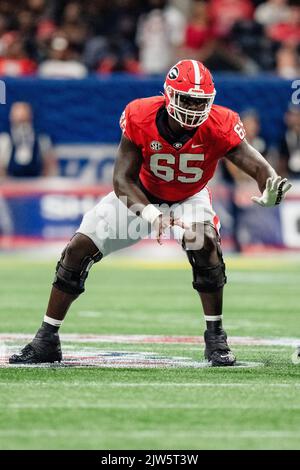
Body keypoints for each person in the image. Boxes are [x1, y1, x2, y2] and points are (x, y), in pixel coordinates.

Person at [9, 59, 292, 367]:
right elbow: (121, 179)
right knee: (77, 250)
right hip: (141, 195)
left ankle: (216, 338)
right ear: (169, 95)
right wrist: (151, 215)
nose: (194, 108)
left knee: (205, 242)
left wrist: (270, 185)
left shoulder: (219, 123)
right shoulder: (140, 114)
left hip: (189, 196)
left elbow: (254, 163)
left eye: (200, 101)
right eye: (187, 99)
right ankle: (46, 339)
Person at [0, 102, 57, 178]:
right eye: (19, 121)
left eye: (24, 120)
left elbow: (50, 164)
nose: (22, 126)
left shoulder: (42, 139)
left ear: (31, 117)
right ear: (11, 118)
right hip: (11, 185)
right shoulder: (4, 140)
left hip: (36, 185)